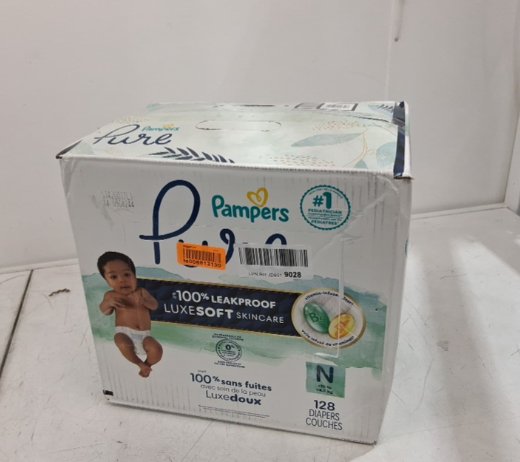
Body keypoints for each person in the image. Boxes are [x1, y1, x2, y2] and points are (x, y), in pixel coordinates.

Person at [97, 251, 163, 377]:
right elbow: (104, 311)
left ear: (134, 275)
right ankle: (139, 363)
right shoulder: (111, 295)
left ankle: (147, 365)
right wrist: (108, 303)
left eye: (127, 274)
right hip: (124, 333)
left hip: (144, 335)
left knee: (157, 349)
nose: (122, 280)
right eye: (114, 277)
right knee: (120, 341)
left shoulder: (141, 292)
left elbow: (155, 305)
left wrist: (145, 302)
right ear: (106, 280)